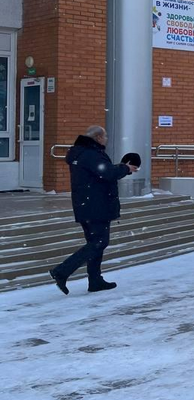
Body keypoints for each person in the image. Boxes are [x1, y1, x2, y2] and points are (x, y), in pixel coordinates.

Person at [49, 126, 138, 294]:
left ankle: (95, 280)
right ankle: (62, 271)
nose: (106, 139)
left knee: (95, 243)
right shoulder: (90, 153)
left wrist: (118, 168)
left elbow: (102, 172)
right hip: (96, 205)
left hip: (87, 204)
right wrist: (125, 168)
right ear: (98, 137)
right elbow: (107, 173)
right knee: (99, 242)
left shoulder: (81, 152)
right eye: (105, 136)